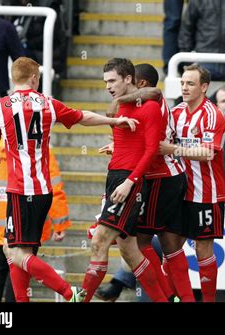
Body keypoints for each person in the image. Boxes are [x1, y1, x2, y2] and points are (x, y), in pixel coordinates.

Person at [0, 56, 135, 302]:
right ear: (34, 78)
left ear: (14, 77)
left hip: (22, 190)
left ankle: (69, 292)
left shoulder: (1, 107)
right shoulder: (47, 103)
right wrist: (113, 120)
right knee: (20, 250)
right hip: (43, 189)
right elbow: (82, 117)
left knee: (13, 251)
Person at [99, 62, 191, 302]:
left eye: (118, 81)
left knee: (139, 242)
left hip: (161, 176)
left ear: (138, 83)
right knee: (168, 245)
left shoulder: (151, 100)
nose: (113, 87)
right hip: (166, 176)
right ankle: (176, 297)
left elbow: (155, 92)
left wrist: (119, 101)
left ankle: (167, 297)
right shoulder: (136, 105)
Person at [81, 58, 167, 303]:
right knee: (130, 251)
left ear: (128, 79)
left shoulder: (149, 106)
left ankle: (80, 300)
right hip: (115, 176)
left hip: (129, 180)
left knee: (99, 242)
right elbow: (132, 141)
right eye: (105, 81)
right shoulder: (119, 105)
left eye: (112, 80)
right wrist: (116, 146)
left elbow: (151, 150)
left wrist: (130, 181)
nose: (108, 86)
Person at [159, 64, 225, 302]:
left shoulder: (212, 114)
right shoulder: (176, 112)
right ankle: (175, 298)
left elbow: (209, 152)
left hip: (206, 193)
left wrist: (175, 149)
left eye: (191, 83)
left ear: (204, 87)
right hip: (178, 191)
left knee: (202, 249)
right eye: (183, 83)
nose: (185, 88)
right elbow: (156, 142)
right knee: (171, 248)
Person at [0, 141, 71, 302]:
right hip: (27, 222)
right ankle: (70, 293)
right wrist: (59, 222)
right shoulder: (38, 148)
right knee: (21, 272)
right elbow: (53, 184)